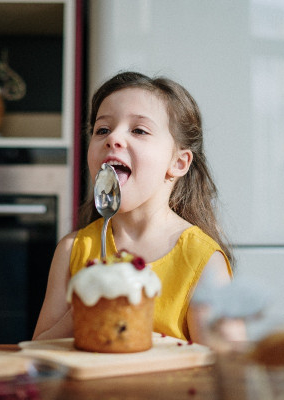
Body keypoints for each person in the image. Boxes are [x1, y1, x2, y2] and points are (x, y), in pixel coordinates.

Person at [33, 71, 233, 343]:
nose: (112, 138)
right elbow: (38, 353)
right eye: (102, 129)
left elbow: (225, 367)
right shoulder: (72, 251)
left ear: (178, 163)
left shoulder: (203, 260)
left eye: (139, 130)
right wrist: (86, 309)